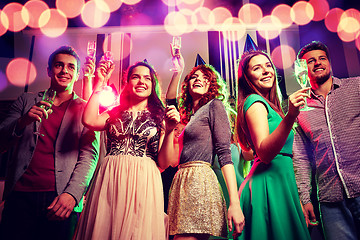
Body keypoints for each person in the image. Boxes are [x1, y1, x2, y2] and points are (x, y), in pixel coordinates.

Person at [0, 46, 100, 240]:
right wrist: (23, 122)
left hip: (60, 199)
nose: (64, 71)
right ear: (49, 70)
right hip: (20, 196)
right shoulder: (25, 100)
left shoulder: (85, 109)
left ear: (77, 74)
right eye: (59, 65)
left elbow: (89, 156)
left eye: (71, 67)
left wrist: (72, 195)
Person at [75, 59, 174, 239]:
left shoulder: (161, 116)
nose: (141, 81)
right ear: (128, 83)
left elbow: (164, 163)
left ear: (153, 85)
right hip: (111, 176)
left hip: (144, 179)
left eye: (147, 78)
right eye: (135, 77)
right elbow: (88, 121)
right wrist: (100, 83)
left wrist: (169, 132)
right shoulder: (114, 112)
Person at [158, 63, 245, 240]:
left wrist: (234, 202)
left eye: (205, 78)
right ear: (188, 84)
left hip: (200, 179)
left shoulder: (215, 106)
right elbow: (170, 101)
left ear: (211, 85)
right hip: (181, 180)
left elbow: (224, 154)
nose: (199, 80)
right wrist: (177, 71)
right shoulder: (189, 118)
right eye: (194, 77)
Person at [235, 50, 311, 240]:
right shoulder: (255, 102)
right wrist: (291, 116)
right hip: (268, 184)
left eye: (268, 65)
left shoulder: (270, 106)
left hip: (281, 183)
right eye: (257, 68)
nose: (266, 71)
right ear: (247, 77)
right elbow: (264, 152)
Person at [293, 41, 360, 240]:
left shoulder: (356, 87)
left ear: (329, 63)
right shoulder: (300, 107)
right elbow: (301, 158)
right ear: (303, 69)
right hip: (330, 200)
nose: (318, 63)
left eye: (322, 58)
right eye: (310, 61)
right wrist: (305, 198)